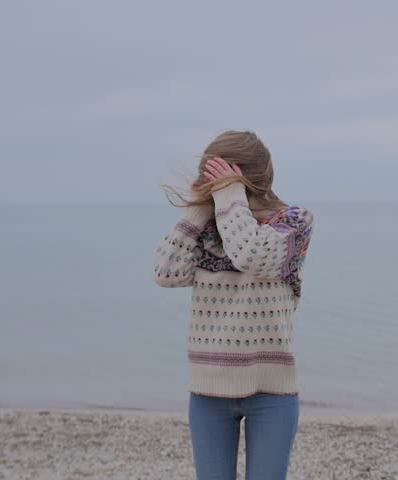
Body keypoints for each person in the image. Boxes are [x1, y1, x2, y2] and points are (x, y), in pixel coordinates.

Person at [152, 130, 315, 480]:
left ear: (242, 181)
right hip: (209, 392)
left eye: (218, 179)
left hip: (272, 392)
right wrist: (197, 210)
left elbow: (249, 253)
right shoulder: (207, 228)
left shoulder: (293, 223)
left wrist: (229, 194)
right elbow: (165, 272)